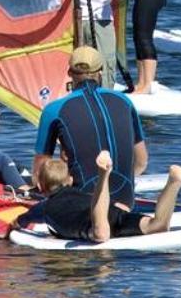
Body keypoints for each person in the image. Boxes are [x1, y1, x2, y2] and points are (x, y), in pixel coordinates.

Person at [33, 46, 147, 210]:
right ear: (100, 72)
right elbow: (142, 162)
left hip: (84, 209)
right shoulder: (125, 101)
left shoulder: (54, 110)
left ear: (69, 73)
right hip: (125, 202)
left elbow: (39, 175)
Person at [16, 150, 181, 243]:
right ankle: (173, 181)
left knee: (101, 233)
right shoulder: (82, 193)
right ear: (71, 180)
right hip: (111, 212)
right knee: (158, 226)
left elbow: (20, 222)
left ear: (41, 187)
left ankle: (104, 174)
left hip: (93, 222)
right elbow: (101, 202)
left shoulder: (44, 207)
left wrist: (9, 231)